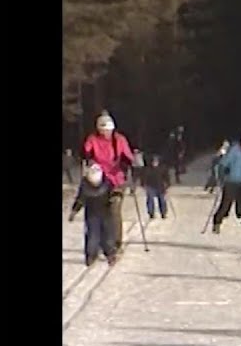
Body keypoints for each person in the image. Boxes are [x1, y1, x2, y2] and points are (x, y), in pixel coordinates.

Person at [81, 111, 136, 253]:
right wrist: (87, 156)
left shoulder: (119, 140)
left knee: (113, 211)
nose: (105, 133)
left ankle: (116, 243)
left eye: (107, 130)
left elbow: (128, 156)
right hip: (99, 181)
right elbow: (86, 152)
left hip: (116, 179)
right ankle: (101, 242)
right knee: (99, 211)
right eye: (102, 130)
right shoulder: (93, 139)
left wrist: (129, 161)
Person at [68, 163, 118, 266]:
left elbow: (113, 193)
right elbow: (80, 199)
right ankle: (90, 255)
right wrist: (74, 211)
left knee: (108, 236)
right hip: (92, 215)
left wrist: (115, 197)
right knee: (92, 236)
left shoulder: (107, 183)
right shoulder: (85, 185)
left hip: (106, 213)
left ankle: (110, 254)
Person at [139, 154, 172, 219]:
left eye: (156, 161)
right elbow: (143, 177)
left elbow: (166, 177)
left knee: (162, 200)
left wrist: (168, 184)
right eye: (154, 162)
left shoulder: (162, 168)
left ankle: (163, 213)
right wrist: (143, 184)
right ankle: (151, 213)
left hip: (160, 186)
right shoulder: (147, 169)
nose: (155, 163)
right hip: (150, 186)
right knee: (150, 200)